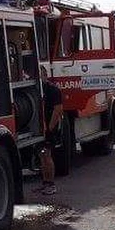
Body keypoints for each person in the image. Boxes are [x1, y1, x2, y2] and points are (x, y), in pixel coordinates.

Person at [38, 66, 65, 196]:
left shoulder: (53, 90)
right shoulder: (38, 89)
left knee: (47, 155)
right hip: (41, 128)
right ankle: (45, 182)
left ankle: (51, 184)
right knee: (42, 156)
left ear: (45, 75)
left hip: (49, 128)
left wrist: (49, 128)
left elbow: (58, 110)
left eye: (40, 74)